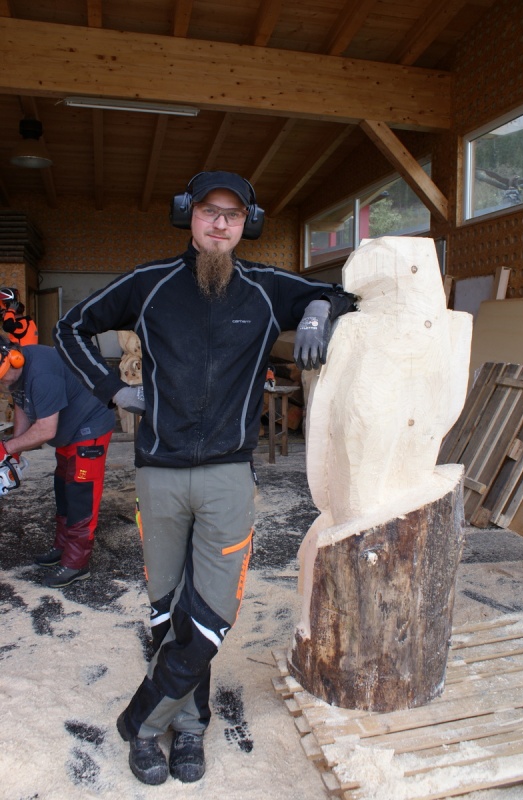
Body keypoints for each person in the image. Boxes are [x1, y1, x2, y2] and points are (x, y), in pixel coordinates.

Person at [53, 170, 356, 786]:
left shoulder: (268, 289)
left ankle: (142, 723)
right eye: (209, 211)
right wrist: (113, 389)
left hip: (227, 475)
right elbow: (70, 327)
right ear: (187, 215)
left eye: (233, 215)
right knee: (168, 610)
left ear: (249, 224)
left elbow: (342, 294)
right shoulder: (150, 284)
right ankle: (189, 726)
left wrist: (319, 311)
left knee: (213, 612)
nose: (221, 223)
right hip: (159, 474)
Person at [0, 336, 115, 588]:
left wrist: (6, 447)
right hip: (67, 431)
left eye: (2, 376)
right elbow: (22, 407)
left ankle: (76, 563)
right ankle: (62, 547)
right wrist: (13, 452)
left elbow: (45, 430)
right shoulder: (17, 374)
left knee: (81, 494)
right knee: (63, 486)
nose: (2, 382)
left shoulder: (42, 375)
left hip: (89, 426)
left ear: (13, 358)